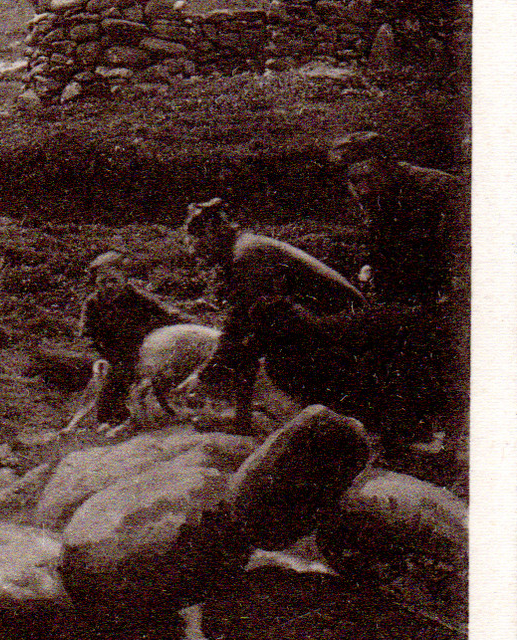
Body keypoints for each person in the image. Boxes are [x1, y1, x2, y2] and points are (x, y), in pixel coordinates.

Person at [181, 197, 366, 434]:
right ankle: (243, 420)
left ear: (211, 231)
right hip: (330, 321)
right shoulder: (243, 250)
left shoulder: (247, 255)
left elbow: (240, 325)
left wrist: (204, 375)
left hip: (347, 325)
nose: (195, 250)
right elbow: (247, 325)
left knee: (279, 361)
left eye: (197, 241)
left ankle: (337, 426)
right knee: (254, 341)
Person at [328, 131, 468, 310]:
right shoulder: (375, 195)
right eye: (354, 181)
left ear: (389, 166)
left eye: (370, 177)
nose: (363, 189)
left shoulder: (440, 189)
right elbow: (380, 240)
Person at [77, 251, 194, 426]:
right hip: (107, 350)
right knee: (112, 380)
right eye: (103, 282)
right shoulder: (93, 303)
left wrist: (184, 320)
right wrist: (98, 354)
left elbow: (164, 311)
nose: (109, 286)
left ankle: (153, 411)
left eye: (114, 280)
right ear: (96, 283)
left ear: (124, 279)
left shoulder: (136, 296)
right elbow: (86, 333)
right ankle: (111, 418)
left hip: (139, 347)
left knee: (135, 374)